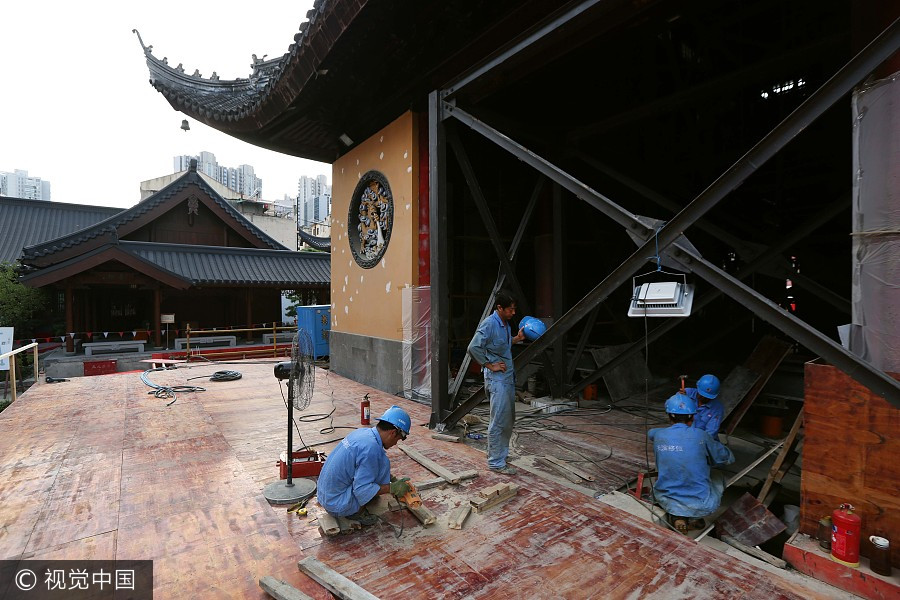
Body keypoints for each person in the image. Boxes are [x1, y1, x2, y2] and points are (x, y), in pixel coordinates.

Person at [648, 392, 735, 533]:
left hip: (665, 496)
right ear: (692, 417)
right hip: (702, 503)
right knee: (718, 476)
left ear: (670, 416)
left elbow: (651, 433)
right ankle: (695, 515)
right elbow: (726, 458)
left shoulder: (658, 434)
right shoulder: (702, 436)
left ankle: (677, 515)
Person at [316, 405, 413, 524]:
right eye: (398, 439)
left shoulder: (364, 433)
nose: (395, 444)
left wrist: (391, 479)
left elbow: (369, 465)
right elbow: (361, 490)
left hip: (325, 495)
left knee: (380, 464)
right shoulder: (371, 448)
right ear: (393, 433)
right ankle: (354, 513)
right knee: (367, 490)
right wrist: (392, 488)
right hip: (336, 504)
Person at [467, 291, 525, 475]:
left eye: (514, 309)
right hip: (497, 380)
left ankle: (500, 455)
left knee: (507, 419)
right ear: (499, 308)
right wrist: (489, 365)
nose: (513, 313)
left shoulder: (505, 324)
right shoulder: (490, 324)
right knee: (499, 420)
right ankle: (496, 462)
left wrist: (515, 339)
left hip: (507, 379)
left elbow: (500, 345)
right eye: (510, 310)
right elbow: (473, 347)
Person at [684, 374, 725, 438]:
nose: (703, 398)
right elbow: (670, 407)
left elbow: (711, 432)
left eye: (707, 397)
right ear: (697, 387)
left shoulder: (717, 409)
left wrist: (698, 443)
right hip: (682, 434)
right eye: (701, 394)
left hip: (701, 439)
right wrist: (678, 398)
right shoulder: (687, 393)